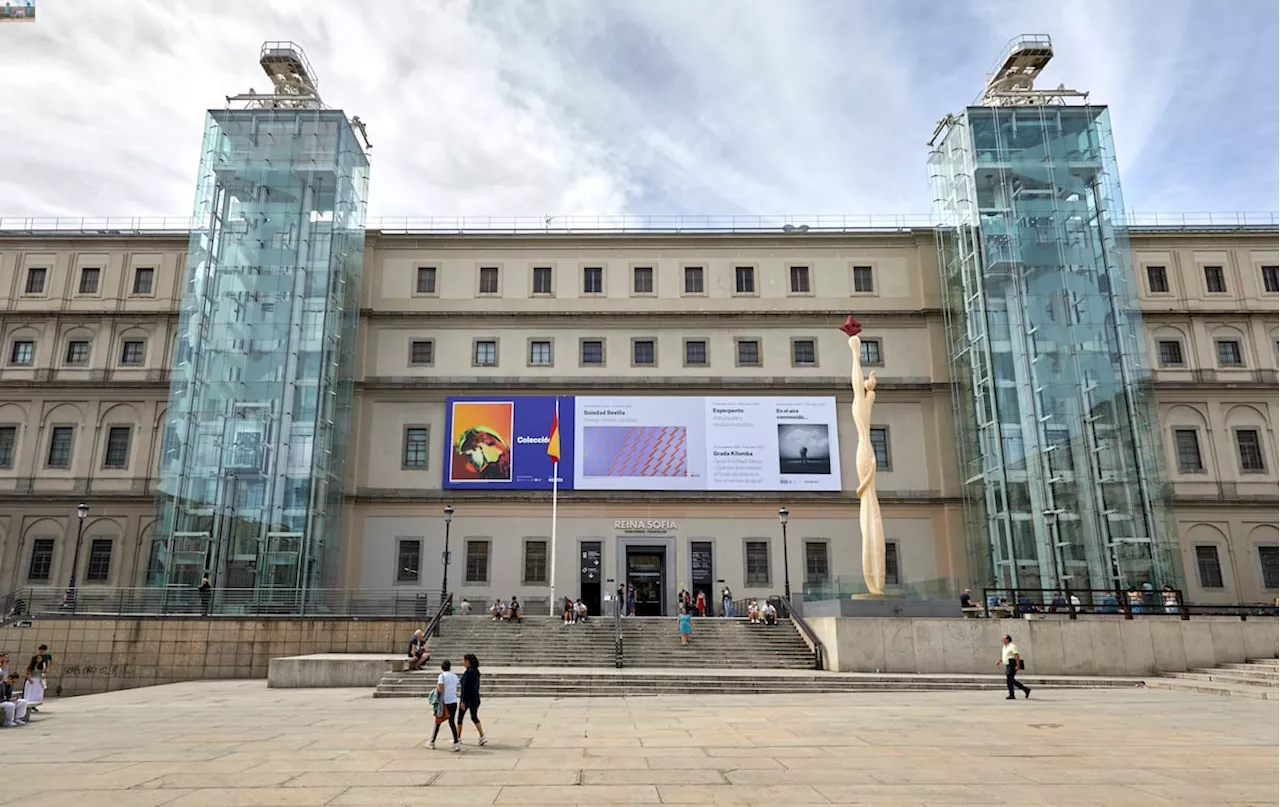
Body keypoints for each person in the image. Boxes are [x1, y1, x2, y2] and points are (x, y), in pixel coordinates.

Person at [428, 659, 460, 751]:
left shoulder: (441, 676)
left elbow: (440, 689)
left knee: (438, 721)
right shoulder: (455, 676)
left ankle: (432, 741)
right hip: (453, 701)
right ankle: (456, 742)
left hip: (444, 702)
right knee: (452, 722)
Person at [455, 653, 487, 746]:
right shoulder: (476, 672)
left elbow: (465, 688)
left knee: (460, 718)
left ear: (468, 662)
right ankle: (482, 736)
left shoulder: (468, 673)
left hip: (467, 699)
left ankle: (458, 737)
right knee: (474, 717)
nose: (463, 662)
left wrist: (462, 700)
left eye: (464, 660)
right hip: (475, 698)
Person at [998, 634, 1031, 700]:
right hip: (1008, 664)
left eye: (1004, 639)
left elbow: (1016, 655)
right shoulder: (1004, 647)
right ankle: (1025, 689)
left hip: (1012, 665)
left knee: (1009, 679)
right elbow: (1005, 655)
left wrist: (1018, 665)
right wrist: (1000, 661)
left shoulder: (1012, 646)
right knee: (1010, 679)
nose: (1002, 640)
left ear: (1007, 639)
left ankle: (1012, 694)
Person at [23, 645, 49, 710]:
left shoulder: (42, 665)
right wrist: (29, 679)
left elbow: (44, 672)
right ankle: (28, 706)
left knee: (36, 694)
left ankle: (33, 706)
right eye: (38, 658)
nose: (39, 660)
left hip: (38, 681)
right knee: (30, 693)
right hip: (31, 680)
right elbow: (27, 673)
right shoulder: (32, 666)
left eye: (40, 658)